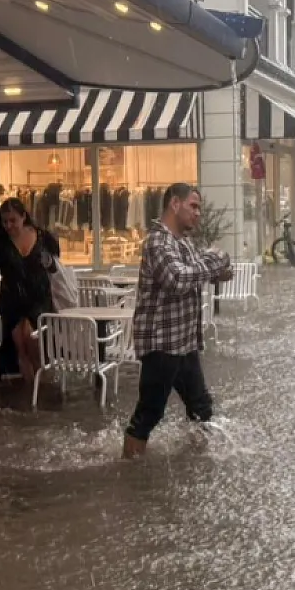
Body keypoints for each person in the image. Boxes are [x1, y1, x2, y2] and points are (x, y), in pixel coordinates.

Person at [122, 183, 233, 460]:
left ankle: (200, 464)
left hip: (183, 342)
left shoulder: (182, 241)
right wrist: (214, 260)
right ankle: (130, 473)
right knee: (149, 413)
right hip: (161, 343)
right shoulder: (158, 242)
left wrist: (217, 268)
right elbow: (178, 279)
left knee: (201, 407)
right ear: (175, 204)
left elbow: (199, 271)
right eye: (193, 206)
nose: (198, 214)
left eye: (199, 208)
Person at [0, 198, 60, 386]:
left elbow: (56, 263)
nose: (8, 225)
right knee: (20, 347)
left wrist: (48, 262)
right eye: (5, 221)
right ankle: (30, 389)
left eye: (13, 220)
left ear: (23, 217)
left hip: (38, 301)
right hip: (12, 303)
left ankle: (43, 386)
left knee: (35, 346)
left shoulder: (42, 237)